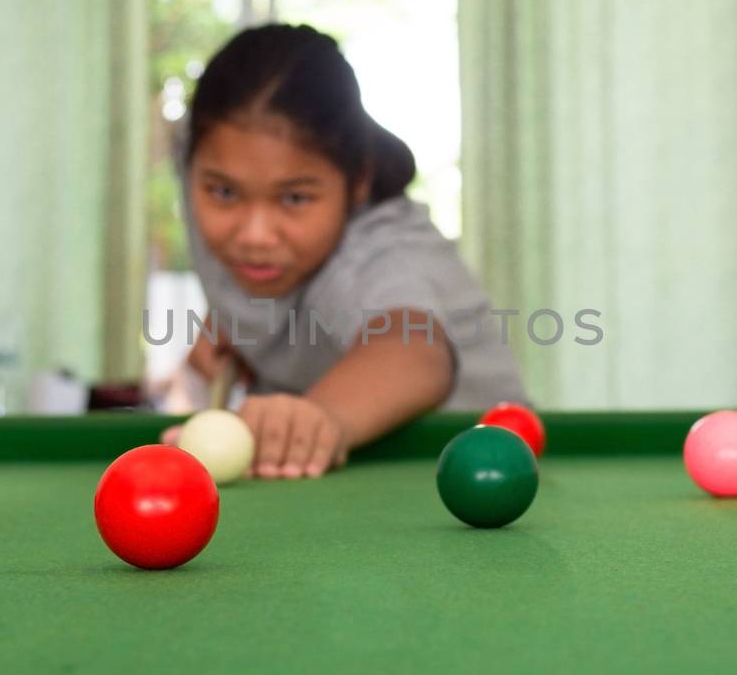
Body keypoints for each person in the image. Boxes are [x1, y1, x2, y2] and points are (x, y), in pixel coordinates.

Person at [163, 23, 526, 479]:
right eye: (224, 193)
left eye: (294, 198)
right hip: (337, 471)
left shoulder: (381, 248)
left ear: (358, 184)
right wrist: (240, 324)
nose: (254, 235)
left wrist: (314, 421)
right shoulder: (206, 154)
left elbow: (413, 350)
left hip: (479, 463)